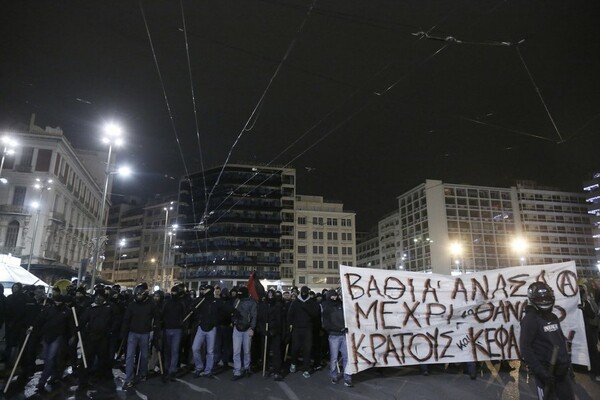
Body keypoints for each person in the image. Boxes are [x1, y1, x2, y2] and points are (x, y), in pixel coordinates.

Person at [520, 282, 574, 400]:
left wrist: (568, 364)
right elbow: (525, 348)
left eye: (546, 298)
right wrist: (540, 372)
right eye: (540, 299)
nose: (544, 301)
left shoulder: (553, 317)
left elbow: (560, 342)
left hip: (562, 372)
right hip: (545, 373)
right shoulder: (530, 320)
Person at [121, 283, 159, 390]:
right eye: (137, 294)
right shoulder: (132, 305)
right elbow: (126, 319)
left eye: (140, 294)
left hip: (145, 333)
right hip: (132, 333)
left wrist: (156, 329)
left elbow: (156, 317)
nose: (138, 296)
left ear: (145, 294)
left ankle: (143, 373)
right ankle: (129, 379)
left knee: (145, 356)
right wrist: (124, 332)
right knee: (129, 356)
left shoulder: (151, 304)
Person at [321, 289, 353, 387]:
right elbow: (326, 324)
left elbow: (348, 317)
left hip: (344, 335)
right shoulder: (326, 307)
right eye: (332, 296)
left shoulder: (342, 305)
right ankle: (334, 375)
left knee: (346, 357)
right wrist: (339, 328)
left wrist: (347, 328)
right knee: (334, 357)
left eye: (335, 295)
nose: (334, 297)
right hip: (334, 336)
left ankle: (347, 376)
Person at [287, 286, 320, 378]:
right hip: (297, 328)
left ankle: (306, 368)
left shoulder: (312, 303)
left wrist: (306, 307)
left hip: (308, 329)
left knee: (307, 349)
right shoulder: (295, 302)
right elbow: (290, 315)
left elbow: (315, 314)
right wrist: (290, 325)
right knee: (295, 348)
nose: (304, 293)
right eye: (303, 292)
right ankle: (293, 363)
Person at [162, 284, 187, 380]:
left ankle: (172, 370)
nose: (173, 293)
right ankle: (167, 368)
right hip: (168, 328)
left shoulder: (181, 303)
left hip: (177, 329)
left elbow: (184, 317)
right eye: (172, 292)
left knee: (174, 350)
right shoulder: (167, 303)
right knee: (168, 350)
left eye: (175, 292)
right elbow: (162, 315)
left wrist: (183, 328)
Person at [231, 286, 257, 380]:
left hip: (247, 329)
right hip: (237, 328)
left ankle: (246, 368)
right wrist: (234, 319)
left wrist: (252, 328)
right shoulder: (237, 301)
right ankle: (237, 371)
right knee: (236, 351)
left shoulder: (251, 302)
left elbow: (254, 316)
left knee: (246, 350)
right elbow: (233, 313)